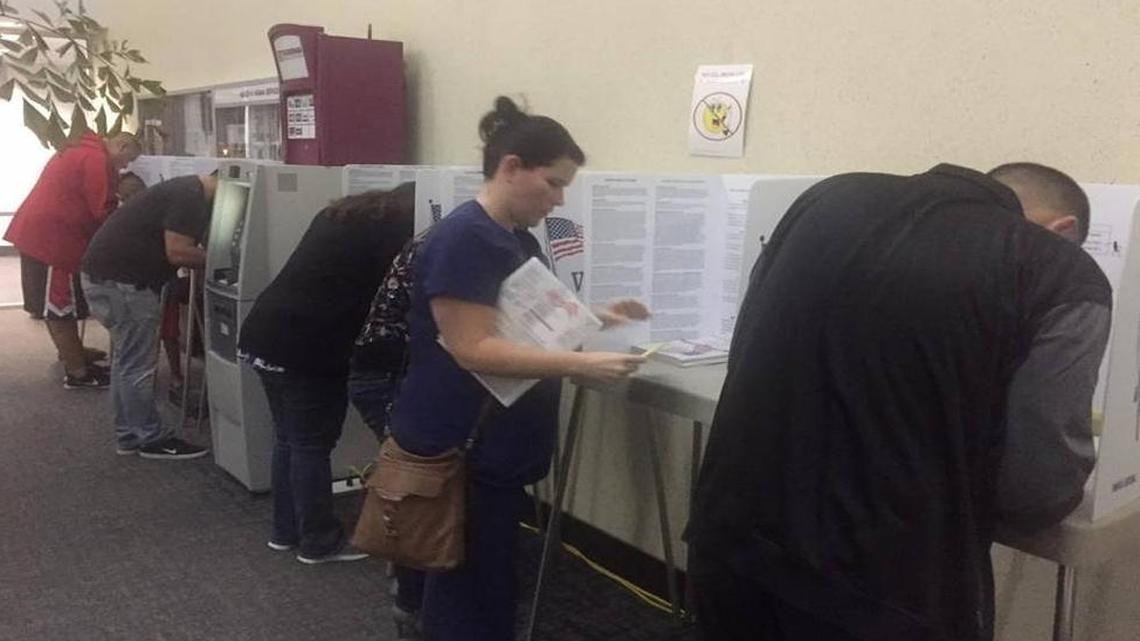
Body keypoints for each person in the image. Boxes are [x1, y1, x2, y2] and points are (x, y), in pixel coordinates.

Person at [685, 163, 1107, 641]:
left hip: (729, 540)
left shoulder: (826, 199)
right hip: (885, 592)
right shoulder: (1059, 271)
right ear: (1064, 231)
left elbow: (750, 349)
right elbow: (1037, 490)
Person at [387, 96, 649, 641]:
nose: (558, 200)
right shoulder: (466, 238)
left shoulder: (511, 237)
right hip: (464, 445)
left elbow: (526, 316)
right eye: (553, 183)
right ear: (511, 168)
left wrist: (597, 317)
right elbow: (473, 347)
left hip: (487, 443)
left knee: (472, 575)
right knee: (468, 587)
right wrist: (581, 366)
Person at [237, 183, 415, 565]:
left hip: (264, 333)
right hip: (306, 347)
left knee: (288, 439)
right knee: (310, 445)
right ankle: (319, 539)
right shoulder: (397, 235)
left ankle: (286, 531)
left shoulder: (342, 215)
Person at [80, 173, 217, 460]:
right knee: (137, 365)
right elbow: (178, 252)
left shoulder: (182, 188)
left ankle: (129, 435)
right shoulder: (192, 197)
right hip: (127, 284)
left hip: (105, 276)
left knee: (125, 361)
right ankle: (150, 438)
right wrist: (226, 259)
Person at [5, 131, 141, 388]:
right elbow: (103, 208)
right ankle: (78, 372)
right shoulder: (95, 159)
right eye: (127, 159)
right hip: (54, 241)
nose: (125, 167)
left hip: (43, 234)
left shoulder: (78, 149)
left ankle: (72, 352)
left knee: (57, 304)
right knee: (59, 306)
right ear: (120, 145)